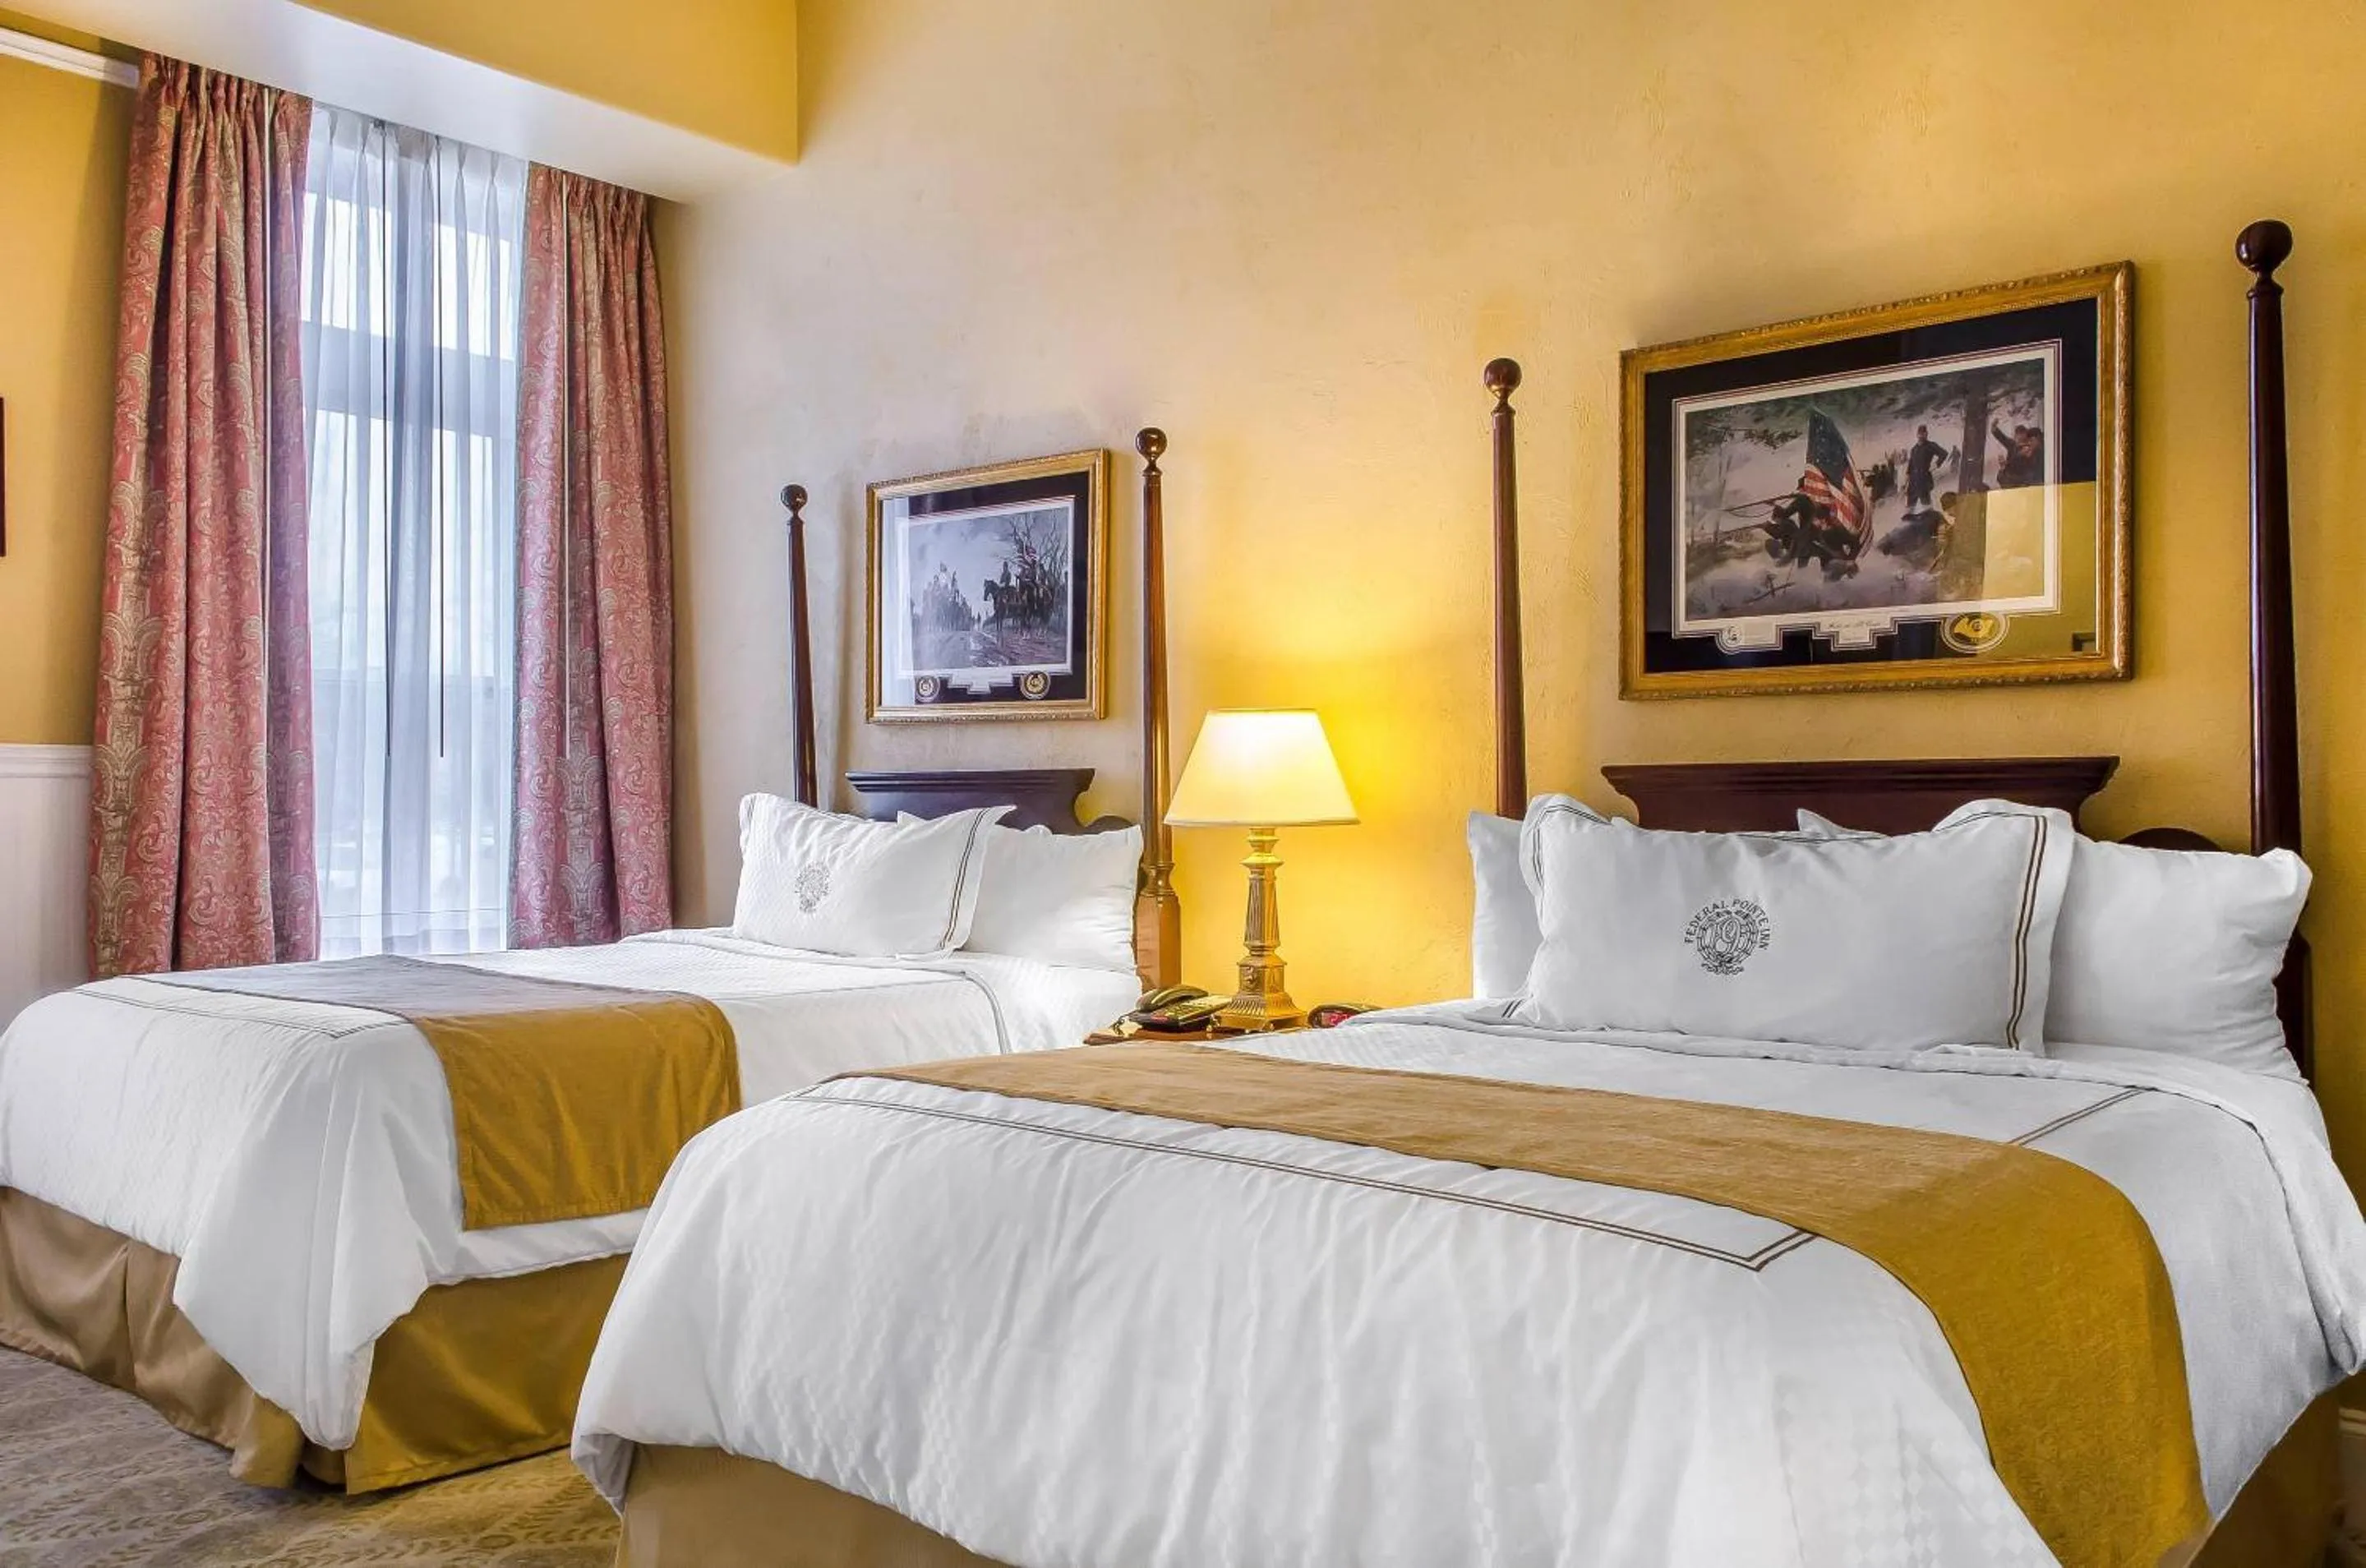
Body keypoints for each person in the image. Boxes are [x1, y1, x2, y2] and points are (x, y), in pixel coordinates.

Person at [1905, 424, 1949, 510]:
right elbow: (1910, 466)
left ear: (1927, 434)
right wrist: (1907, 481)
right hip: (1913, 483)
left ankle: (1930, 520)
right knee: (1910, 508)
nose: (1922, 435)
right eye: (1920, 433)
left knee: (1927, 506)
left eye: (1924, 433)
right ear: (1917, 435)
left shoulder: (1930, 446)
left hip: (1924, 481)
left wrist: (1936, 465)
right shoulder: (1914, 449)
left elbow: (1944, 453)